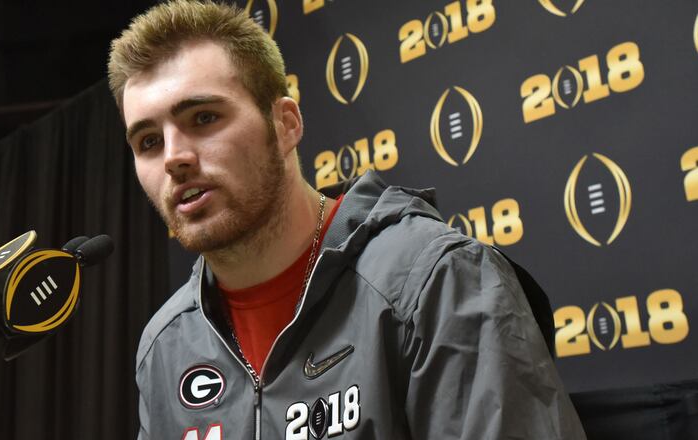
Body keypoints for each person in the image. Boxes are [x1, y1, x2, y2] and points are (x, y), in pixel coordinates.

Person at [108, 1, 586, 439]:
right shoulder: (166, 342)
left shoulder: (433, 283)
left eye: (204, 118)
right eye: (148, 141)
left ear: (285, 124)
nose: (174, 158)